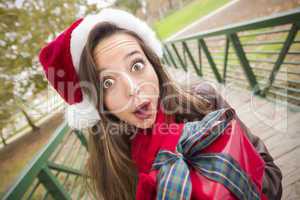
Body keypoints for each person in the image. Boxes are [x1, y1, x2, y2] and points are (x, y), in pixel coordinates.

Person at [39, 8, 282, 200]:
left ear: (152, 63)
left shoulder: (202, 101)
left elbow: (271, 173)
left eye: (136, 66)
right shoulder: (111, 169)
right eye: (108, 83)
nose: (133, 89)